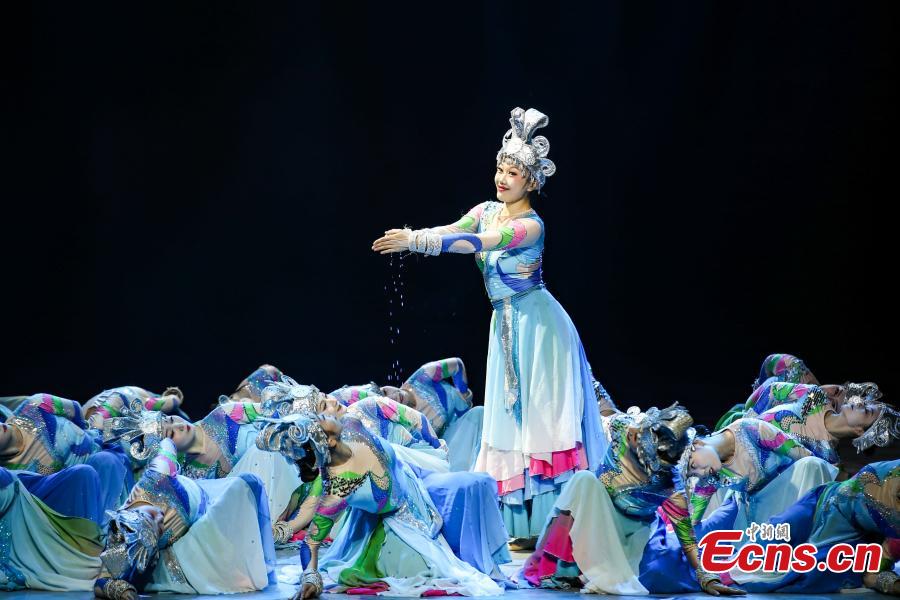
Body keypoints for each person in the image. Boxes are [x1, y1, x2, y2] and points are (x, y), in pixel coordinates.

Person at [372, 107, 607, 542]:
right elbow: (454, 229)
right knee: (509, 421)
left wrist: (417, 241)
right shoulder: (486, 209)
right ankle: (522, 525)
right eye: (501, 168)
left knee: (541, 420)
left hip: (540, 328)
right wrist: (413, 236)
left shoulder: (530, 226)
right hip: (506, 325)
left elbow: (476, 243)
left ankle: (557, 525)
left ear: (531, 182)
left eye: (513, 173)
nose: (502, 178)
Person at [257, 412, 504, 598]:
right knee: (425, 570)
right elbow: (311, 543)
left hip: (412, 475)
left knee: (470, 483)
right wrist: (311, 577)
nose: (322, 414)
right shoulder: (338, 488)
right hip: (399, 518)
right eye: (318, 420)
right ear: (329, 441)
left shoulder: (351, 423)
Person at [522, 404, 746, 595]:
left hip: (632, 535)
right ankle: (562, 569)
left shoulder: (670, 485)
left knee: (662, 570)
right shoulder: (622, 427)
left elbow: (687, 538)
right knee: (583, 480)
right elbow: (599, 408)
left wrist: (706, 577)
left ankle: (597, 569)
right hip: (596, 516)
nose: (655, 467)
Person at [93, 438, 276, 598]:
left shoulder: (156, 476)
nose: (160, 519)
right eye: (158, 529)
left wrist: (157, 447)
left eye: (152, 517)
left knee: (247, 484)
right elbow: (102, 581)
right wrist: (118, 590)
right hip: (191, 537)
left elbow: (167, 443)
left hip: (208, 502)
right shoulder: (122, 538)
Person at [333, 357, 485, 471]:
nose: (392, 397)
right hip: (451, 442)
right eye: (386, 400)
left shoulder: (422, 377)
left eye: (385, 391)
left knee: (478, 413)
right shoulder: (406, 420)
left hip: (466, 422)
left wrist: (464, 394)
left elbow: (457, 365)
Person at [1, 393, 131, 516]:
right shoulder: (18, 476)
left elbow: (76, 411)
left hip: (99, 439)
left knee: (119, 399)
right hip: (86, 494)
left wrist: (90, 432)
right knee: (105, 461)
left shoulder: (36, 404)